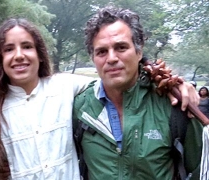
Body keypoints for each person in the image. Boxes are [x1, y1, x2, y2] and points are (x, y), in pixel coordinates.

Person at [0, 17, 199, 180]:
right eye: (8, 49)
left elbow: (117, 76)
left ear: (40, 53)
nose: (19, 55)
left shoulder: (64, 87)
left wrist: (177, 84)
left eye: (27, 46)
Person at [72, 6, 203, 180]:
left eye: (121, 47)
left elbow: (201, 170)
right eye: (102, 51)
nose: (111, 58)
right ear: (92, 58)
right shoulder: (80, 107)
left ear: (139, 52)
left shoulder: (175, 107)